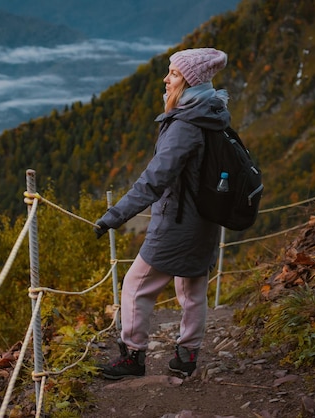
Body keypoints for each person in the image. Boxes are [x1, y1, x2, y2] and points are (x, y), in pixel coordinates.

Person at [94, 47, 229, 379]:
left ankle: (132, 357)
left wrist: (113, 216)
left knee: (136, 286)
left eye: (173, 74)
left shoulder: (185, 125)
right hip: (205, 220)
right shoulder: (213, 114)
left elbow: (153, 181)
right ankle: (187, 356)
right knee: (192, 289)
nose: (166, 79)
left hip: (177, 222)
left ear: (188, 82)